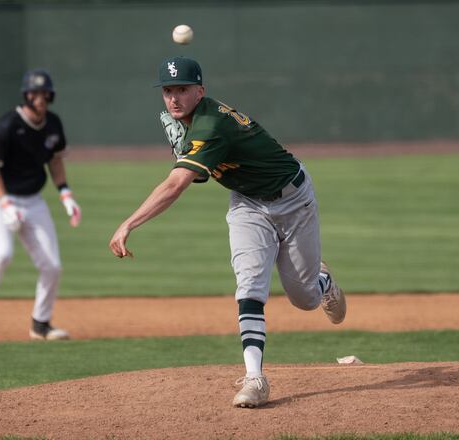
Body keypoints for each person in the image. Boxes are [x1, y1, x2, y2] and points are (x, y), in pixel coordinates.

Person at [108, 56, 346, 408]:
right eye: (168, 90)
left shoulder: (209, 125)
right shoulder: (192, 123)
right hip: (248, 203)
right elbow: (203, 172)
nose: (174, 98)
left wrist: (128, 223)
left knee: (304, 298)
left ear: (200, 91)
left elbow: (177, 185)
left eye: (183, 90)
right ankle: (255, 378)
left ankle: (323, 282)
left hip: (294, 200)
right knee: (249, 286)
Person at [0, 69, 81, 341]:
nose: (39, 97)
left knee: (52, 266)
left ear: (50, 95)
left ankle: (41, 324)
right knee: (1, 254)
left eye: (43, 92)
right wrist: (4, 204)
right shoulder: (7, 126)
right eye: (34, 92)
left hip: (33, 200)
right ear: (26, 95)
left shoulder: (53, 124)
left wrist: (65, 194)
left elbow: (56, 160)